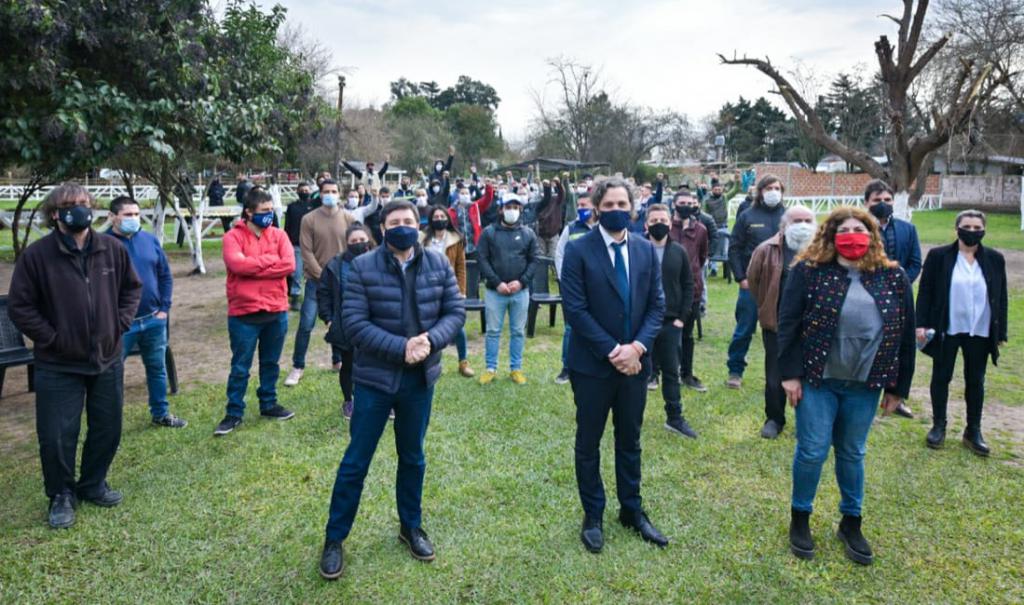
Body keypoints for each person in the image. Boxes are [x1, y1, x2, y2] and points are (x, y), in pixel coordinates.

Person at [319, 200, 465, 580]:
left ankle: (410, 527)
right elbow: (353, 323)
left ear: (418, 227)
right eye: (394, 221)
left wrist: (429, 341)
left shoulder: (437, 263)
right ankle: (335, 538)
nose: (402, 226)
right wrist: (401, 347)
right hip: (373, 381)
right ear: (382, 228)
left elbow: (455, 312)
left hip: (419, 381)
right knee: (356, 462)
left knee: (413, 457)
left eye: (409, 221)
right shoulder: (362, 267)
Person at [777, 206, 915, 566]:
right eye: (844, 229)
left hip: (865, 383)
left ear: (872, 235)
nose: (853, 235)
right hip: (817, 379)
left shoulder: (893, 276)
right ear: (830, 236)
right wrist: (789, 374)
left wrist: (898, 387)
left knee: (853, 452)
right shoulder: (809, 272)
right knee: (812, 450)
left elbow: (904, 335)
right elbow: (788, 323)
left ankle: (851, 522)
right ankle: (800, 518)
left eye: (860, 228)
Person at [9, 183, 142, 528]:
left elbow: (132, 289)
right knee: (56, 434)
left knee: (108, 427)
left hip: (106, 358)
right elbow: (21, 307)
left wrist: (119, 324)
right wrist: (52, 338)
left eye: (84, 204)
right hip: (58, 364)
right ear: (55, 214)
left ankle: (93, 483)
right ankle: (61, 495)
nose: (79, 210)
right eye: (70, 205)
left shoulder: (111, 250)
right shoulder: (36, 257)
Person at [561, 177, 668, 553]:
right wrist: (614, 351)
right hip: (592, 366)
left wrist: (636, 348)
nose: (616, 211)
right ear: (595, 207)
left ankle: (632, 510)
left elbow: (656, 305)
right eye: (608, 206)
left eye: (622, 205)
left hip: (635, 366)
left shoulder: (642, 249)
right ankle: (593, 514)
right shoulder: (578, 251)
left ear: (633, 208)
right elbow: (575, 310)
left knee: (630, 439)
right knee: (588, 442)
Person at [916, 210, 1007, 456]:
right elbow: (925, 292)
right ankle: (939, 426)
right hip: (947, 327)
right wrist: (921, 324)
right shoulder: (939, 256)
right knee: (941, 376)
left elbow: (1001, 296)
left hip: (980, 328)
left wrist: (1001, 331)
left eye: (977, 227)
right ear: (957, 229)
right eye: (967, 226)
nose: (972, 230)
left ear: (984, 230)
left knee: (975, 380)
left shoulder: (995, 259)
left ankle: (973, 430)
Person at [214, 188, 296, 436]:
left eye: (271, 210)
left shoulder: (279, 235)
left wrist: (254, 267)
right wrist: (271, 263)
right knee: (240, 367)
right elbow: (237, 264)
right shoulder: (232, 237)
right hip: (244, 314)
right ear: (248, 212)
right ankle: (234, 412)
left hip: (275, 310)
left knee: (270, 363)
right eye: (264, 211)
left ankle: (268, 403)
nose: (269, 215)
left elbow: (290, 265)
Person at [107, 196, 185, 429]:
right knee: (111, 376)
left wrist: (164, 309)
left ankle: (161, 413)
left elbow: (164, 276)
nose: (133, 219)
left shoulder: (150, 240)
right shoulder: (103, 245)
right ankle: (109, 425)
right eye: (127, 215)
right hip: (121, 325)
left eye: (136, 214)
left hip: (153, 320)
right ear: (112, 217)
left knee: (157, 369)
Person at [746, 205, 816, 439]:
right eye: (797, 220)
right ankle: (774, 418)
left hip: (814, 328)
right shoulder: (766, 249)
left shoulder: (823, 251)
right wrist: (768, 307)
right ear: (784, 224)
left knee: (811, 377)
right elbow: (754, 282)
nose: (803, 225)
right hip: (777, 326)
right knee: (775, 376)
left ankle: (808, 422)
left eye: (808, 220)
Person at [285, 179, 355, 386]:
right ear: (320, 194)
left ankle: (337, 360)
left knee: (338, 322)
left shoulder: (349, 218)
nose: (330, 194)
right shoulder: (309, 219)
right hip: (316, 282)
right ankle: (298, 366)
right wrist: (323, 276)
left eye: (334, 191)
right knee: (306, 323)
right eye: (326, 191)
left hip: (342, 281)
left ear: (339, 194)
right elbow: (305, 251)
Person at [863, 179, 922, 418]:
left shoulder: (908, 229)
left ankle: (896, 396)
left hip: (898, 300)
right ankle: (866, 396)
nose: (883, 204)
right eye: (877, 200)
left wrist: (898, 286)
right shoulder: (856, 229)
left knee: (897, 350)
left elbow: (915, 263)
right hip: (865, 299)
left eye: (887, 200)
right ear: (866, 202)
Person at [725, 174, 787, 389]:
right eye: (769, 187)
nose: (773, 192)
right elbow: (734, 247)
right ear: (761, 191)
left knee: (780, 331)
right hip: (751, 285)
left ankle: (781, 374)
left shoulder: (788, 216)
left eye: (777, 187)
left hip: (781, 286)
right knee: (744, 328)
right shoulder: (747, 216)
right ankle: (735, 370)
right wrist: (741, 277)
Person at [475, 193, 539, 385]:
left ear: (520, 209)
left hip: (520, 291)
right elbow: (482, 259)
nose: (512, 210)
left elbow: (534, 260)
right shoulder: (489, 233)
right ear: (501, 209)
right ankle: (490, 368)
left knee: (518, 331)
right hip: (496, 292)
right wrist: (497, 282)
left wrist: (521, 282)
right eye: (508, 206)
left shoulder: (528, 233)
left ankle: (516, 369)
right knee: (493, 331)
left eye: (515, 207)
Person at [645, 204, 697, 439]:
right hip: (642, 322)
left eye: (662, 219)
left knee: (670, 372)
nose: (659, 223)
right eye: (654, 219)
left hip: (670, 322)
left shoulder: (679, 251)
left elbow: (688, 285)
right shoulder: (637, 249)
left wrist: (681, 318)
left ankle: (674, 418)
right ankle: (630, 416)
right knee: (638, 372)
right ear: (646, 224)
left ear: (670, 222)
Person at [318, 225, 375, 420]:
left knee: (377, 365)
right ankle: (349, 401)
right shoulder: (335, 264)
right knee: (349, 365)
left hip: (376, 323)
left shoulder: (380, 261)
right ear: (347, 243)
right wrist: (328, 319)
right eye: (354, 241)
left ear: (368, 240)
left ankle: (383, 400)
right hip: (346, 324)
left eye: (362, 240)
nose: (359, 244)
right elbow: (324, 292)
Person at [421, 205, 475, 378]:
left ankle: (463, 362)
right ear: (431, 219)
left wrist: (462, 291)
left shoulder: (456, 238)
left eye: (442, 216)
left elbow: (461, 266)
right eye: (435, 217)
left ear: (448, 219)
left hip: (450, 288)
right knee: (429, 325)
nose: (439, 219)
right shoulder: (422, 239)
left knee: (456, 326)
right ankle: (431, 363)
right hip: (426, 288)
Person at [553, 193, 596, 384]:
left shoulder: (603, 228)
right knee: (571, 327)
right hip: (574, 288)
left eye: (584, 204)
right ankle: (567, 367)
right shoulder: (571, 228)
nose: (580, 208)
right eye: (578, 205)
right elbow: (559, 254)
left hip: (597, 287)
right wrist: (565, 280)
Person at [669, 192, 709, 392]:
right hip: (666, 290)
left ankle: (686, 373)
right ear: (674, 204)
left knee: (687, 334)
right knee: (662, 333)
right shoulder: (665, 226)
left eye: (689, 203)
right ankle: (657, 373)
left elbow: (701, 258)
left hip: (690, 290)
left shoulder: (700, 229)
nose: (685, 206)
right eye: (681, 203)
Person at [284, 181, 319, 310]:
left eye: (306, 190)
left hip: (313, 245)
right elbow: (287, 225)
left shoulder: (315, 206)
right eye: (302, 190)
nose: (304, 192)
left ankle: (316, 296)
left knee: (314, 272)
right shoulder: (292, 207)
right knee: (296, 273)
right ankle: (295, 297)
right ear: (298, 192)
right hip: (296, 244)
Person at [536, 178, 567, 257]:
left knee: (553, 258)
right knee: (541, 258)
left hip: (553, 234)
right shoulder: (539, 203)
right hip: (541, 235)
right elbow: (546, 197)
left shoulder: (556, 201)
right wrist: (546, 186)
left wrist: (558, 183)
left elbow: (562, 193)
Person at [704, 182, 729, 276]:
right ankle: (713, 268)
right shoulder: (707, 201)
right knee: (712, 247)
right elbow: (705, 212)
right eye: (716, 190)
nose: (718, 191)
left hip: (723, 226)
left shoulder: (725, 198)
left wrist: (737, 180)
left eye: (719, 189)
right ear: (712, 190)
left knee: (724, 249)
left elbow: (735, 190)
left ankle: (726, 270)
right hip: (712, 226)